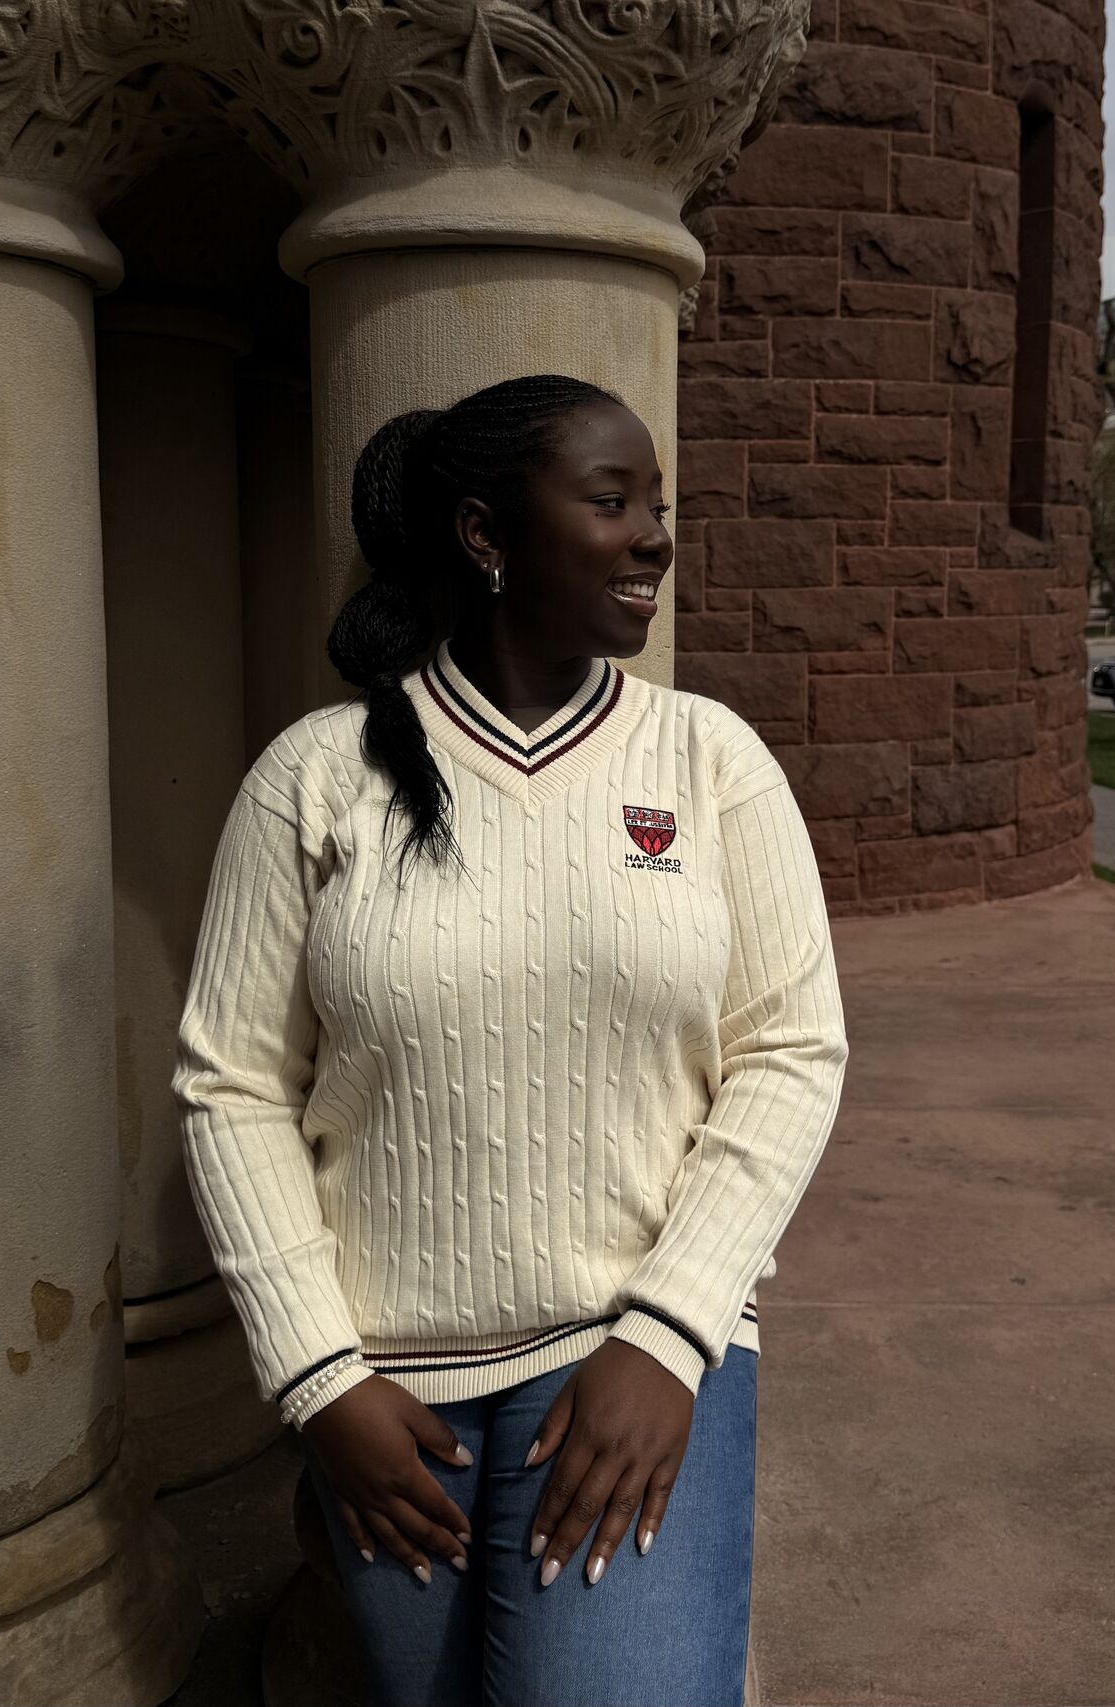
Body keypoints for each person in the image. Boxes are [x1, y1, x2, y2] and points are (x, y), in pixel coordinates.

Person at [172, 372, 849, 1707]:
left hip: (634, 1362)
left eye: (659, 504)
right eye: (613, 501)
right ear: (488, 535)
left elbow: (790, 1049)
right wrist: (319, 1380)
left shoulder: (711, 762)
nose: (656, 534)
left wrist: (668, 1335)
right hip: (390, 1405)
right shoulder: (315, 778)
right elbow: (231, 1083)